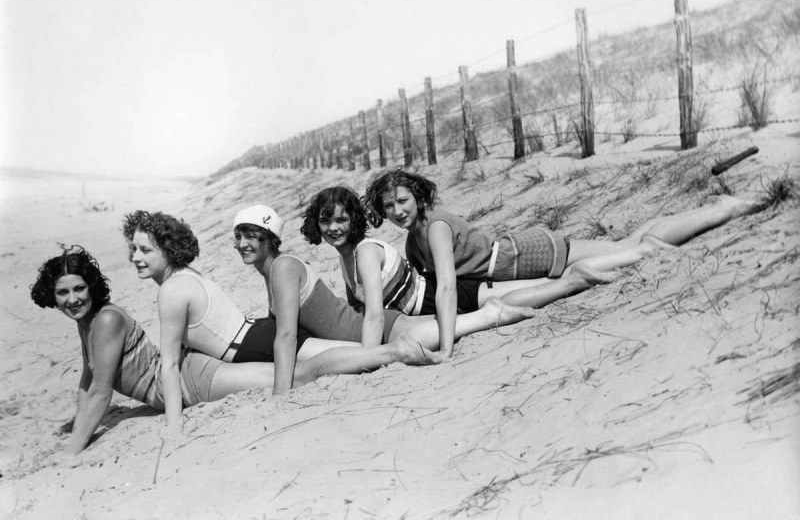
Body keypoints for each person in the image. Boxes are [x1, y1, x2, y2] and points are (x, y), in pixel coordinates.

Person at [364, 168, 764, 357]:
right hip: (521, 256)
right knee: (629, 239)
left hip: (531, 256)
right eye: (389, 206)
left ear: (417, 196)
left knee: (634, 244)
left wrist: (447, 347)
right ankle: (715, 211)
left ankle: (720, 212)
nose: (398, 210)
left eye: (402, 200)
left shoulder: (433, 229)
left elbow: (449, 287)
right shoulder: (414, 236)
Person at [121, 211, 443, 430]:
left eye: (145, 250)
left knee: (324, 364)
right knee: (347, 350)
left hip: (251, 344)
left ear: (168, 248)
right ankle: (418, 338)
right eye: (133, 248)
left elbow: (169, 365)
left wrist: (174, 427)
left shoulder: (172, 290)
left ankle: (399, 350)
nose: (136, 256)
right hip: (255, 334)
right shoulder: (186, 276)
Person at [232, 204, 603, 395]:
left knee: (486, 316)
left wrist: (281, 394)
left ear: (269, 238)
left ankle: (570, 282)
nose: (244, 244)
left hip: (390, 330)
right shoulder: (274, 270)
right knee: (482, 312)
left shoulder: (281, 267)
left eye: (252, 236)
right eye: (239, 237)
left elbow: (285, 336)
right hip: (380, 328)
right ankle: (567, 279)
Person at [31, 247, 283, 453]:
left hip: (188, 380)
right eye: (62, 292)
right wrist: (77, 437)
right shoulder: (86, 322)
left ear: (91, 287)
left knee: (284, 376)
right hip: (178, 380)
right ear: (51, 295)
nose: (73, 299)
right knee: (281, 370)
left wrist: (70, 454)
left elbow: (100, 392)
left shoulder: (106, 320)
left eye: (79, 289)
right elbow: (88, 380)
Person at [299, 186, 614, 346]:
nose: (333, 228)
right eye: (325, 221)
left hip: (444, 293)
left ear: (355, 220)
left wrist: (369, 358)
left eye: (341, 219)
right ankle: (577, 275)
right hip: (432, 301)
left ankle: (574, 280)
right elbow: (358, 309)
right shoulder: (345, 259)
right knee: (523, 291)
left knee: (521, 294)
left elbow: (375, 314)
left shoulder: (365, 252)